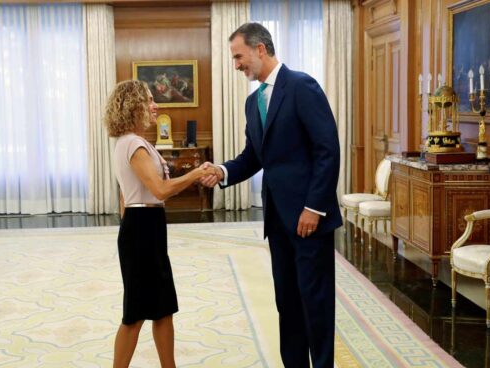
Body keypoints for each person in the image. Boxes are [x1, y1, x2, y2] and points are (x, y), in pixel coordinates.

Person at [200, 23, 341, 368]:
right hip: (277, 221)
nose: (236, 64)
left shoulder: (302, 86)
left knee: (315, 303)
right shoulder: (253, 103)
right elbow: (254, 156)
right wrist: (223, 171)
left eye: (238, 56)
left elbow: (328, 150)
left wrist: (314, 207)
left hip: (309, 220)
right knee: (287, 304)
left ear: (260, 48)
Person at [103, 79, 212, 368]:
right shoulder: (133, 144)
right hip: (142, 230)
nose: (155, 106)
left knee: (163, 308)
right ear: (133, 106)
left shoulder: (134, 143)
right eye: (149, 100)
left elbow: (125, 199)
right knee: (135, 314)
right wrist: (196, 173)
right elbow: (161, 190)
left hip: (146, 227)